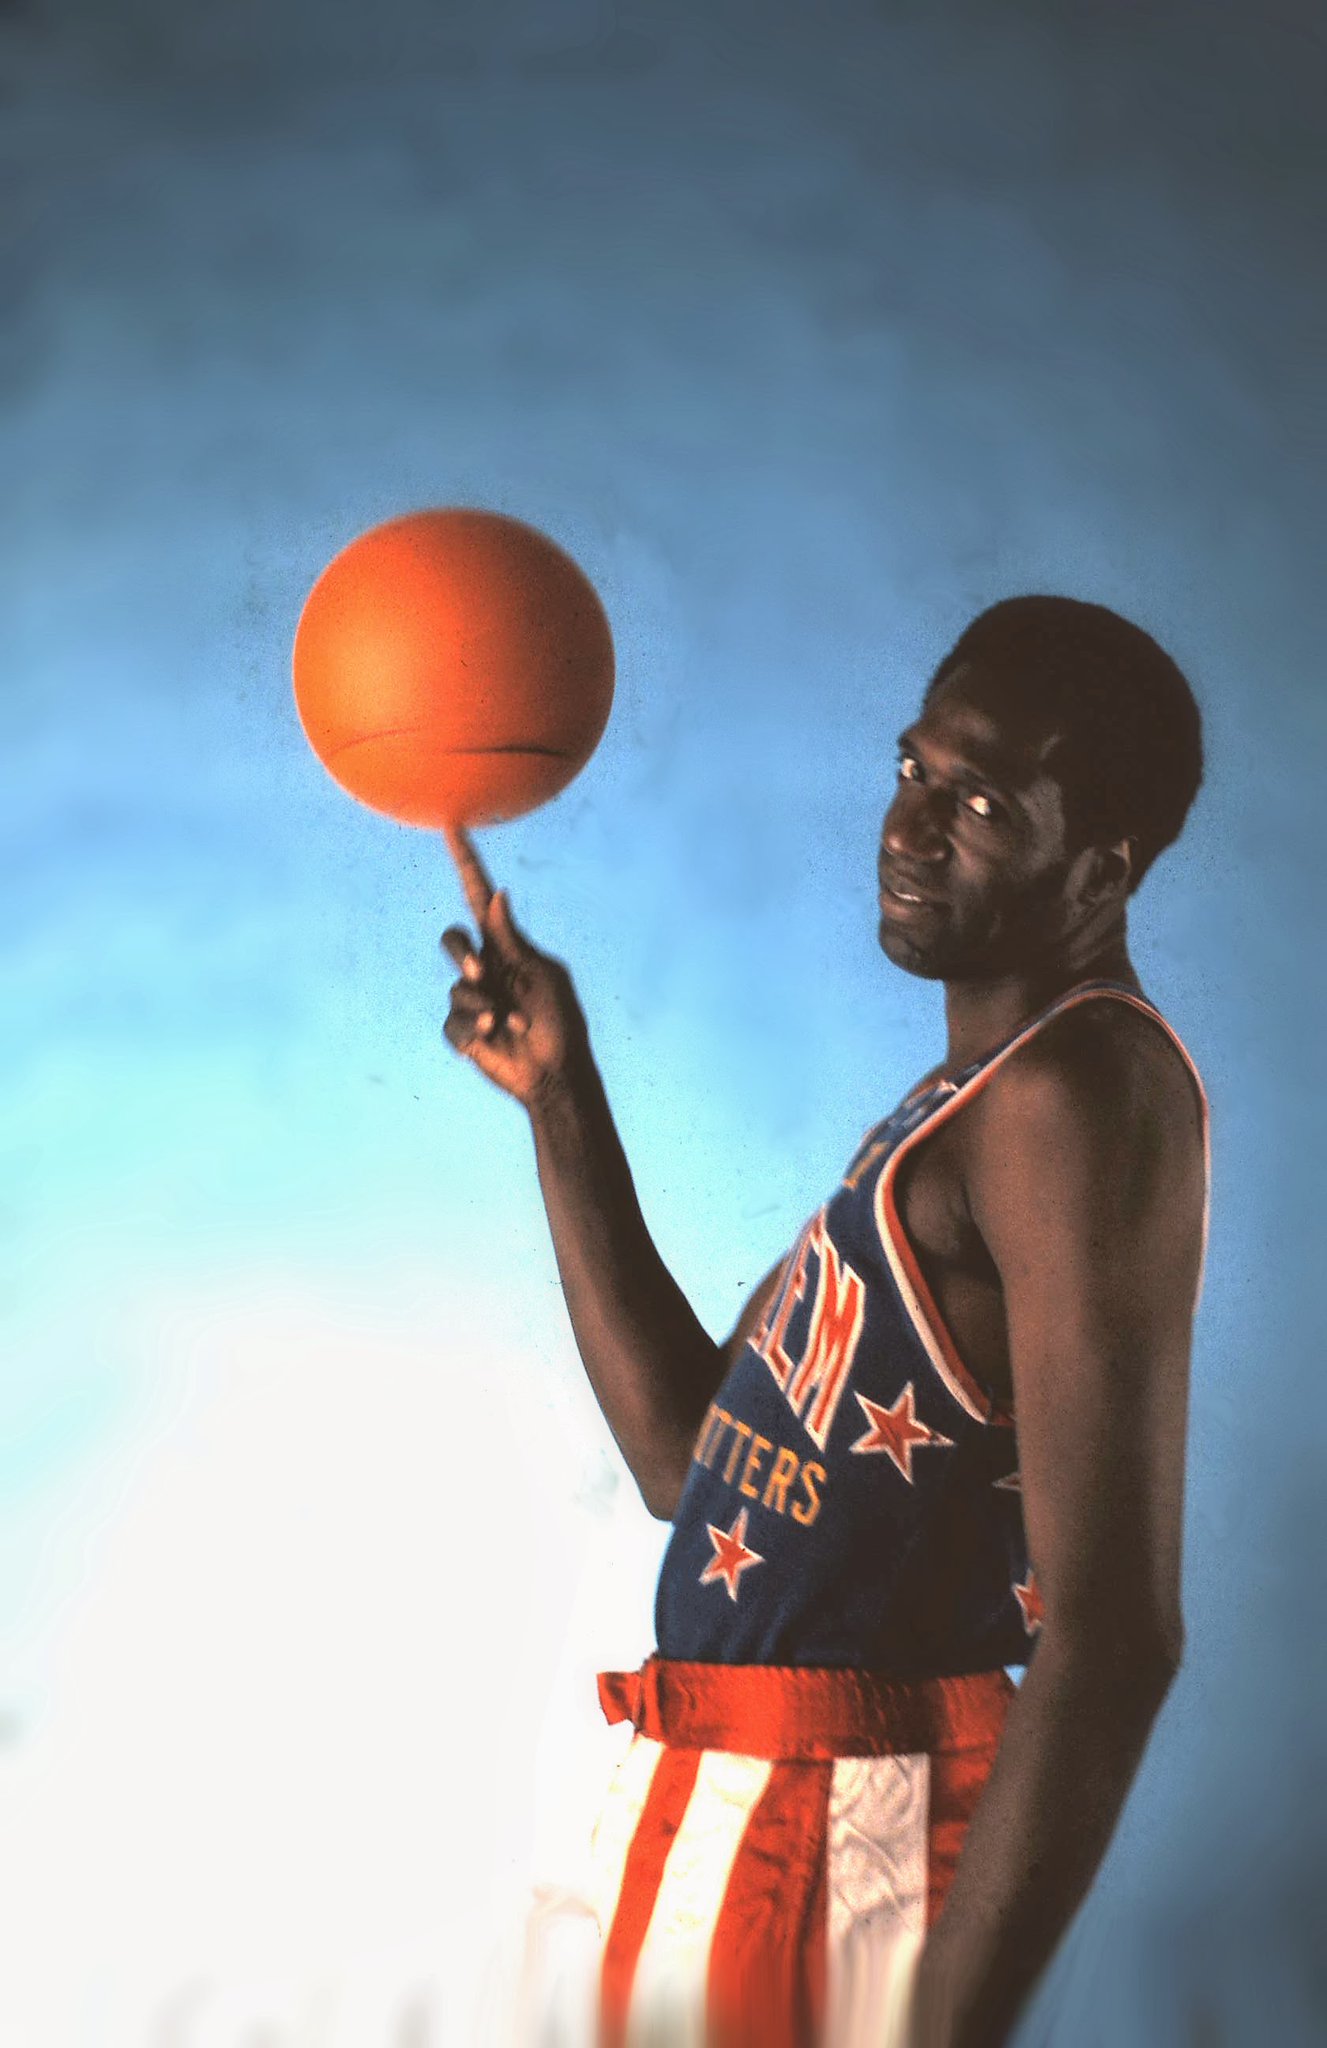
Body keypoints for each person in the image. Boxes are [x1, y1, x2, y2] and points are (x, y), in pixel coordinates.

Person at [440, 595, 1209, 2048]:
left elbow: (1115, 1637)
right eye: (914, 770)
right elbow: (690, 1460)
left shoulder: (1077, 1095)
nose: (912, 828)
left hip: (842, 1813)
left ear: (1104, 866)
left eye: (981, 801)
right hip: (725, 1792)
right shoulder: (955, 1110)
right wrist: (560, 1094)